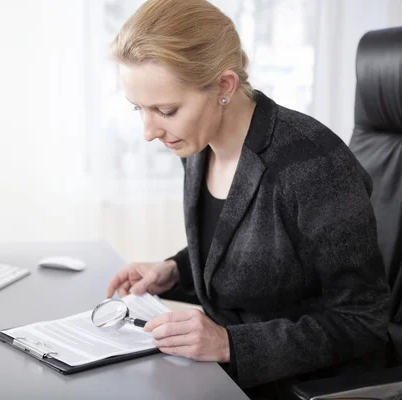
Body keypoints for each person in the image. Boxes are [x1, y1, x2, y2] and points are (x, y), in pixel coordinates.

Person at [104, 0, 391, 398]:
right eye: (139, 109)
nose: (149, 131)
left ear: (224, 86)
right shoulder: (198, 146)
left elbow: (364, 321)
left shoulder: (311, 163)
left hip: (301, 385)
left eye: (165, 110)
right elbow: (245, 245)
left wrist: (228, 343)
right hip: (223, 378)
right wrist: (175, 270)